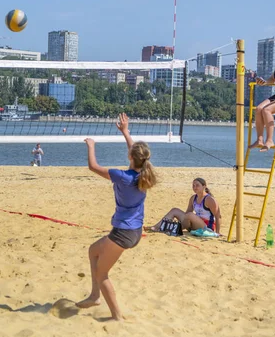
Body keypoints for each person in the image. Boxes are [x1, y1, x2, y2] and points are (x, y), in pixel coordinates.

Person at [76, 113, 157, 321]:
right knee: (93, 251)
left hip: (123, 232)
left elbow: (93, 167)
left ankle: (117, 317)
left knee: (102, 274)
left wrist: (91, 145)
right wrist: (125, 132)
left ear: (131, 157)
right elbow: (136, 154)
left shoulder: (123, 176)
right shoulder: (144, 175)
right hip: (134, 231)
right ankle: (95, 296)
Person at [145, 178, 221, 235]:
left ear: (204, 186)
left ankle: (172, 228)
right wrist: (182, 219)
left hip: (206, 227)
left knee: (190, 215)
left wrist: (217, 233)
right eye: (193, 185)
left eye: (197, 185)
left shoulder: (209, 199)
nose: (195, 187)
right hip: (194, 225)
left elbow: (218, 217)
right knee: (175, 210)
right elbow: (187, 214)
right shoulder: (193, 198)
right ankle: (157, 227)